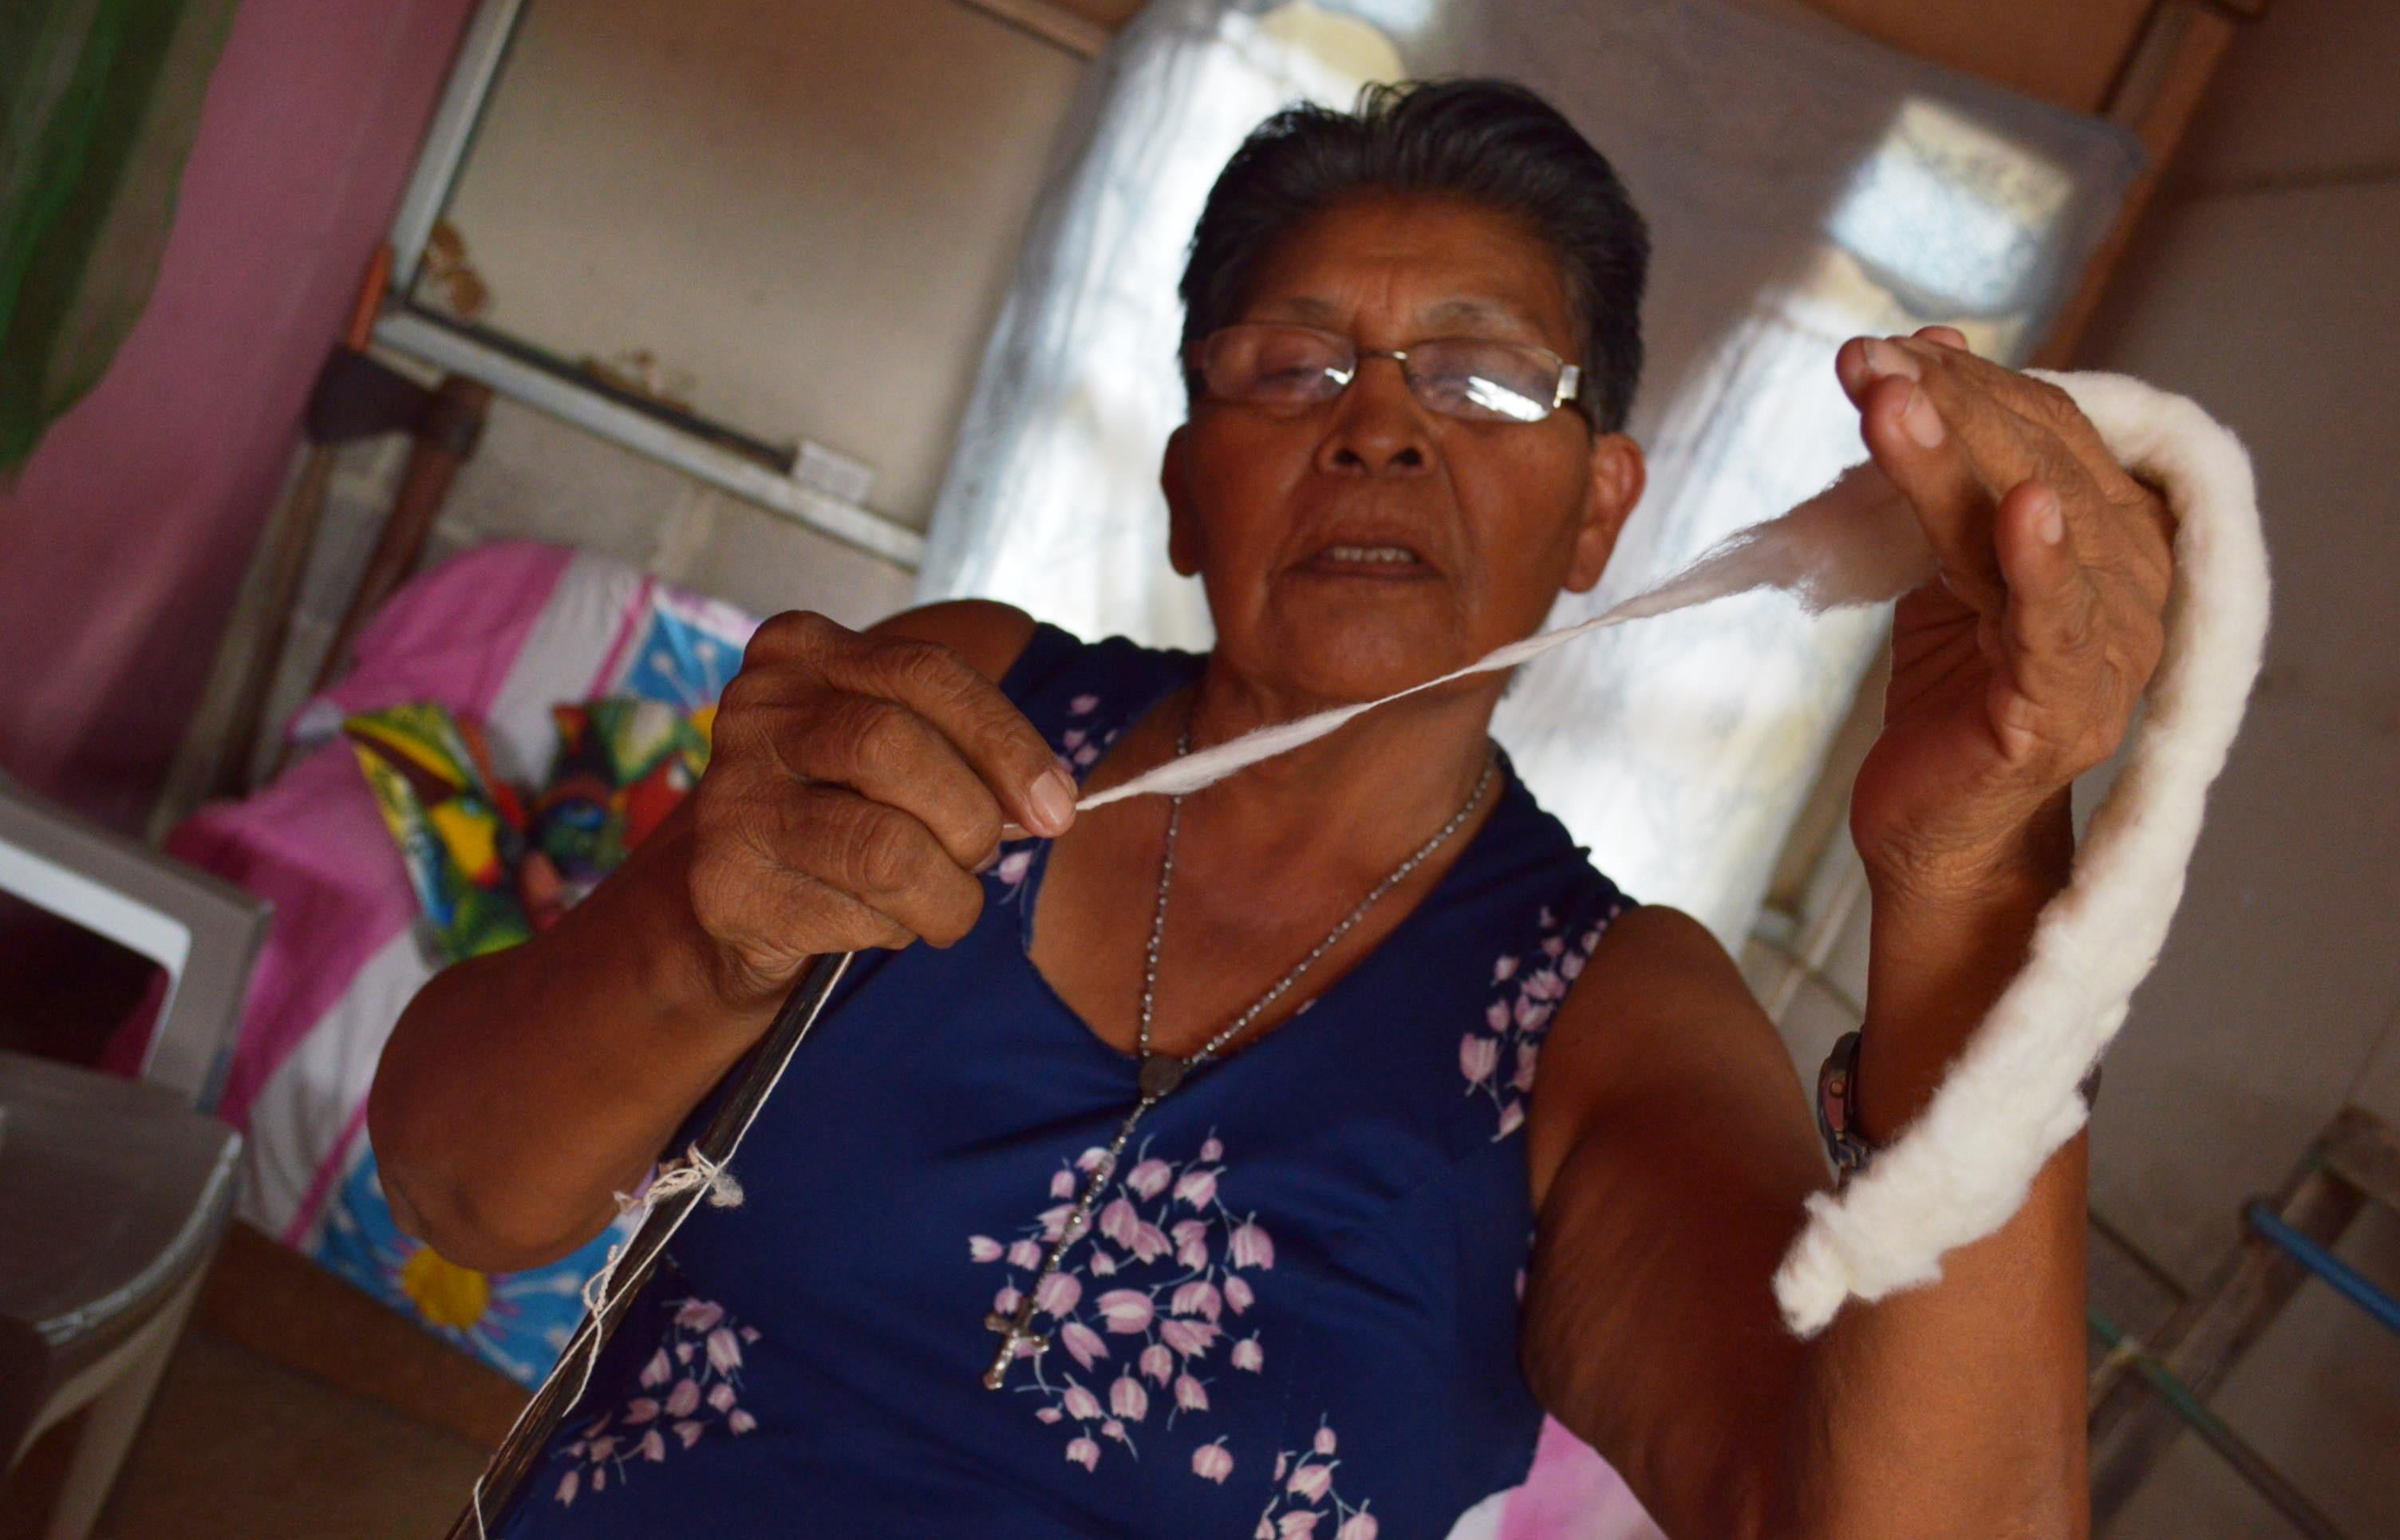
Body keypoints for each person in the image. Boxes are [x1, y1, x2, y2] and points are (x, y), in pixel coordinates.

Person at [369, 80, 2172, 1539]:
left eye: (1478, 376)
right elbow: (460, 1185)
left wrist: (1979, 881)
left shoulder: (1607, 1026)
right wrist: (703, 933)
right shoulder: (949, 712)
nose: (1377, 427)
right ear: (1181, 482)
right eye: (1291, 366)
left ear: (1599, 508)